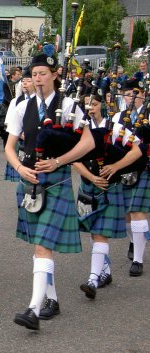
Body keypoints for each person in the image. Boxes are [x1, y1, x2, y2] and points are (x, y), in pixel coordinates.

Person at [5, 52, 95, 330]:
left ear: (55, 75)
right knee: (40, 247)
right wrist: (20, 168)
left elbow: (88, 143)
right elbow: (9, 147)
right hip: (29, 184)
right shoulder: (21, 106)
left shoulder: (69, 105)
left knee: (43, 245)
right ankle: (51, 300)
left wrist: (58, 161)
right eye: (34, 74)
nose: (37, 78)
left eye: (42, 73)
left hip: (56, 183)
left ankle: (33, 308)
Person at [73, 91, 129, 299]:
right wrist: (91, 177)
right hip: (89, 185)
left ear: (102, 105)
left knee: (99, 233)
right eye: (87, 104)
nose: (90, 108)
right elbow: (73, 159)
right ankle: (104, 271)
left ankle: (93, 279)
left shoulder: (115, 128)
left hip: (109, 187)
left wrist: (116, 166)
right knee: (93, 232)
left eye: (94, 104)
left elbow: (137, 151)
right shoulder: (80, 129)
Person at [108, 78, 148, 277]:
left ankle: (138, 260)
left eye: (134, 93)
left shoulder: (148, 114)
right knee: (126, 214)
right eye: (127, 94)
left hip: (145, 166)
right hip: (125, 167)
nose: (131, 97)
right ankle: (134, 240)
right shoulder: (119, 117)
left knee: (137, 211)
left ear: (142, 94)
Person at [3, 66, 35, 182]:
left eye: (28, 81)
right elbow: (8, 123)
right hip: (19, 140)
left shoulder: (41, 101)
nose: (25, 84)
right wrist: (20, 134)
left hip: (35, 142)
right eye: (23, 81)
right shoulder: (15, 101)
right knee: (23, 180)